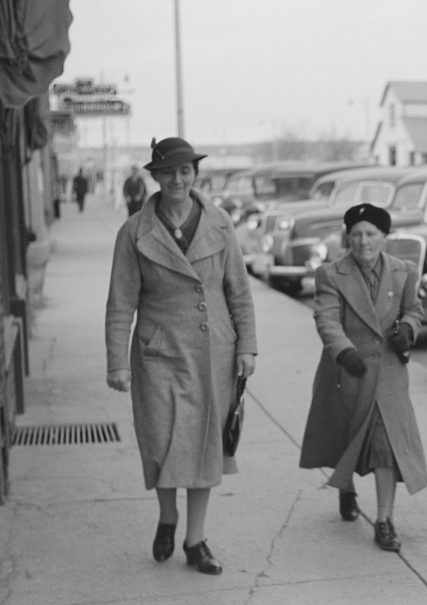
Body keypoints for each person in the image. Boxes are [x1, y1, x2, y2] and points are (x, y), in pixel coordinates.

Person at [105, 137, 257, 575]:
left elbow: (238, 291)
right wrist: (117, 361)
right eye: (169, 171)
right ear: (155, 176)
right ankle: (168, 515)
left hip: (213, 352)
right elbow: (120, 302)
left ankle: (196, 540)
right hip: (158, 352)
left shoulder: (219, 223)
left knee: (206, 444)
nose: (178, 179)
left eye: (185, 170)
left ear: (195, 174)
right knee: (162, 440)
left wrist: (247, 345)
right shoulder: (134, 232)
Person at [299, 202, 427, 553]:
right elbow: (326, 318)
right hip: (348, 370)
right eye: (356, 234)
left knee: (387, 447)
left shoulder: (404, 271)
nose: (363, 242)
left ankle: (384, 520)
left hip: (388, 374)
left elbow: (414, 309)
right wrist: (343, 350)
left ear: (384, 236)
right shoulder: (331, 274)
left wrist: (408, 328)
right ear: (347, 238)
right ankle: (346, 488)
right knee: (346, 436)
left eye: (371, 234)